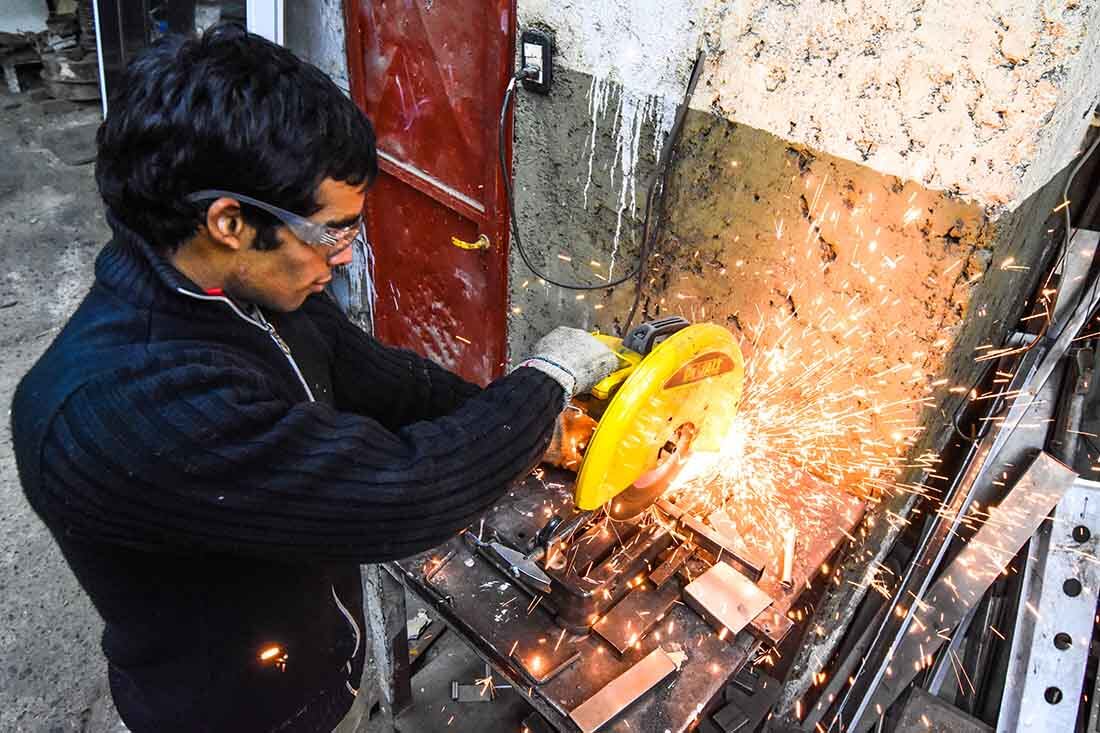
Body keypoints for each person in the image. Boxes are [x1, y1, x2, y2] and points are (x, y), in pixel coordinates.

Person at [10, 25, 617, 732]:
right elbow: (400, 493)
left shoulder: (247, 287)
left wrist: (542, 432)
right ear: (229, 220)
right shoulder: (125, 408)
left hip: (324, 656)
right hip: (252, 714)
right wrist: (544, 381)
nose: (348, 256)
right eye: (333, 230)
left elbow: (392, 382)